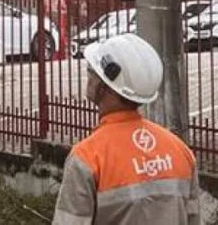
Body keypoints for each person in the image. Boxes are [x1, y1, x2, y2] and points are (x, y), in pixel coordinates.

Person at [52, 33, 200, 224]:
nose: (88, 76)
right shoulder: (180, 151)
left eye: (91, 70)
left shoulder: (87, 157)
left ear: (105, 87)